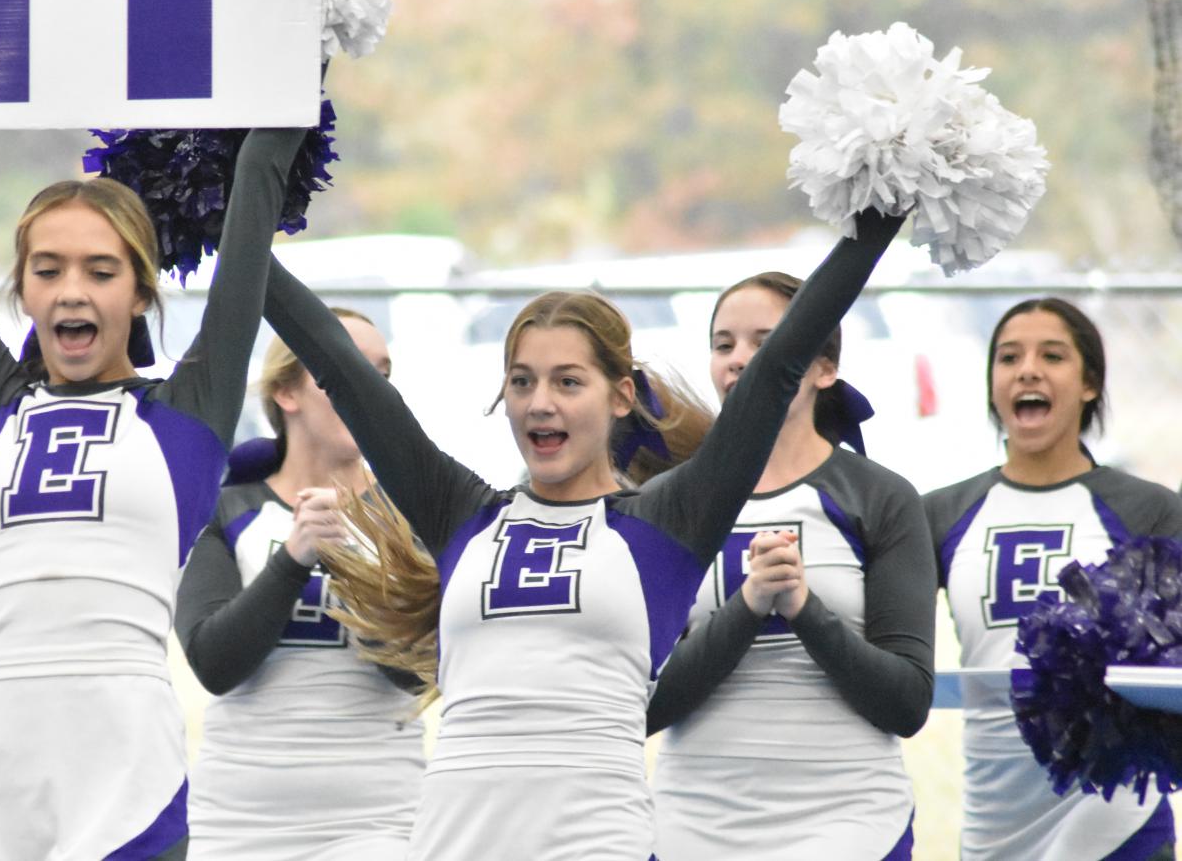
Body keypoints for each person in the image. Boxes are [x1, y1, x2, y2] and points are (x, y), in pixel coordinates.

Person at [257, 209, 906, 861]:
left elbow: (777, 370)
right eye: (521, 382)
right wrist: (239, 212)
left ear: (620, 396)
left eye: (568, 382)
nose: (540, 403)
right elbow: (338, 368)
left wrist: (876, 219)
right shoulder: (459, 511)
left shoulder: (667, 522)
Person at [0, 123, 306, 861]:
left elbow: (257, 185)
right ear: (22, 288)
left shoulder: (187, 412)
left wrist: (304, 49)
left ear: (141, 291)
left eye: (100, 270)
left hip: (122, 768)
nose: (71, 291)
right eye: (47, 270)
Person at [646, 270, 935, 860]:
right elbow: (643, 704)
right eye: (723, 344)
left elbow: (906, 704)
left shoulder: (880, 497)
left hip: (850, 823)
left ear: (825, 370)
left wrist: (805, 610)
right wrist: (749, 607)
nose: (739, 359)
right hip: (693, 826)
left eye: (766, 342)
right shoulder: (667, 502)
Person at [923, 297, 1181, 861]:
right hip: (994, 824)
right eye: (1009, 357)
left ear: (1089, 384)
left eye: (1053, 355)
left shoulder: (1150, 511)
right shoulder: (942, 513)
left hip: (1118, 828)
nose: (1028, 370)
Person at [173, 309, 426, 861]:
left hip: (378, 822)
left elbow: (414, 673)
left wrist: (348, 559)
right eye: (348, 371)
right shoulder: (226, 508)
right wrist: (293, 558)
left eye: (382, 376)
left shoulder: (412, 513)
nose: (371, 391)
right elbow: (214, 664)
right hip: (237, 824)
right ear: (287, 393)